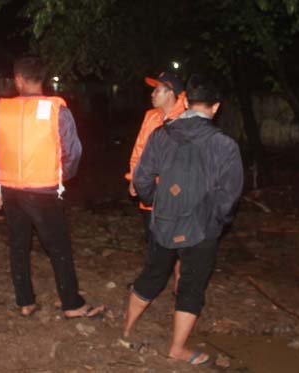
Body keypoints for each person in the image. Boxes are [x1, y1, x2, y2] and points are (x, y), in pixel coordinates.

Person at [123, 74, 243, 365]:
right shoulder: (225, 145)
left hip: (163, 220)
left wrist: (154, 201)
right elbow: (230, 193)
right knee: (191, 285)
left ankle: (125, 330)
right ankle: (177, 348)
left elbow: (141, 176)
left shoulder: (161, 135)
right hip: (202, 228)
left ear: (185, 101)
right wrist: (217, 220)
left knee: (152, 274)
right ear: (215, 107)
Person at [0, 56, 104, 318]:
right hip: (44, 191)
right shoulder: (57, 110)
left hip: (11, 190)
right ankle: (72, 304)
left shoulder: (2, 110)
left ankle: (25, 301)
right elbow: (73, 152)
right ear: (42, 78)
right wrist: (60, 176)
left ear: (18, 79)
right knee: (58, 247)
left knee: (18, 246)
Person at [125, 72, 186, 293]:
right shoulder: (151, 117)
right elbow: (139, 150)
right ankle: (149, 281)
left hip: (175, 192)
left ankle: (180, 276)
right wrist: (134, 177)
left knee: (178, 238)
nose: (152, 94)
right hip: (150, 190)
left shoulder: (187, 120)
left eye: (157, 90)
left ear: (172, 93)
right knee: (152, 236)